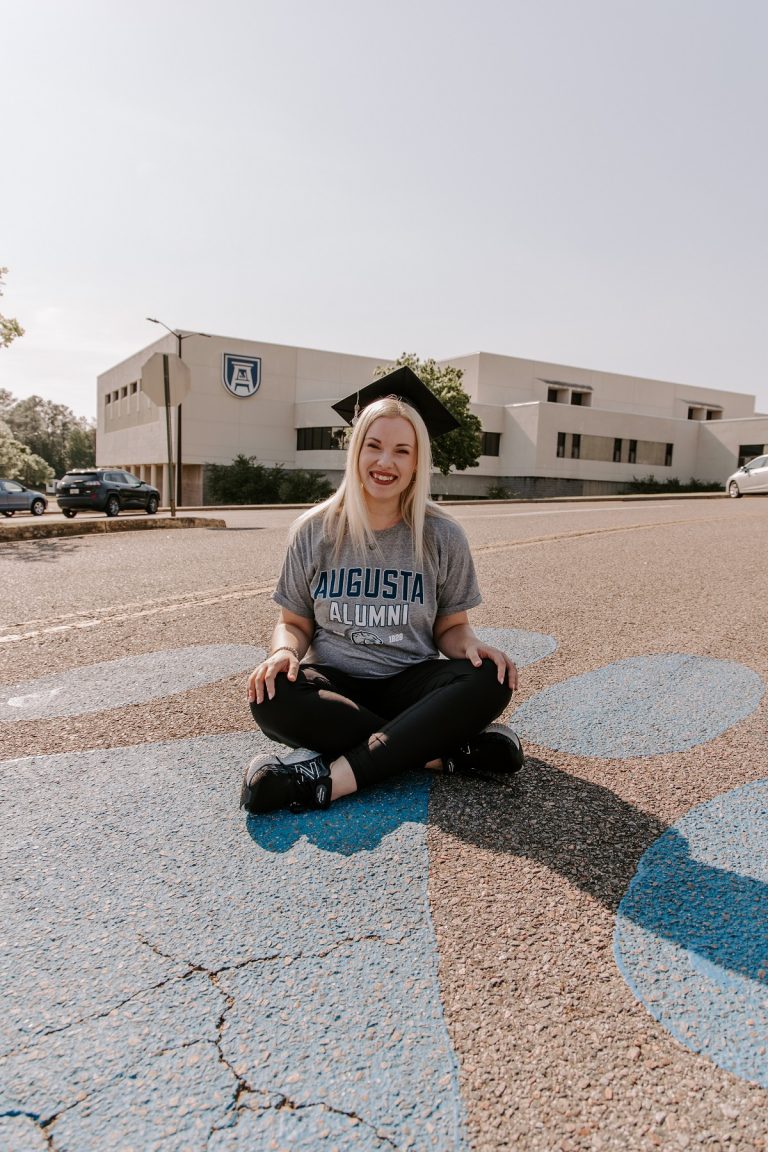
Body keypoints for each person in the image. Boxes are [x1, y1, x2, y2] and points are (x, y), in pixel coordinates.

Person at [240, 366, 524, 815]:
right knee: (272, 692)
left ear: (416, 463)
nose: (384, 462)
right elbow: (293, 624)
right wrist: (283, 653)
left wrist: (472, 646)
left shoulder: (442, 535)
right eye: (373, 446)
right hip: (336, 686)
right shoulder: (314, 531)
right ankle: (438, 750)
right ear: (356, 452)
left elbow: (452, 629)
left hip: (410, 681)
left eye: (401, 451)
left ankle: (321, 781)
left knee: (491, 679)